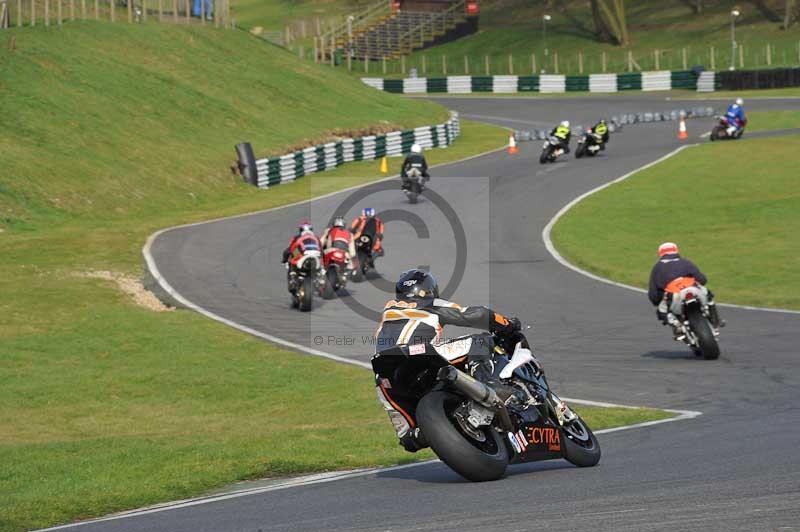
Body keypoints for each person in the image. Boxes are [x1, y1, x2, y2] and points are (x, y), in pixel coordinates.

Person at [374, 268, 523, 452]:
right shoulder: (430, 303)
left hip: (384, 372)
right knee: (481, 340)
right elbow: (479, 314)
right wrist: (508, 324)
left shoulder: (389, 309)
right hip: (420, 353)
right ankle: (488, 383)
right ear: (429, 289)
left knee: (408, 438)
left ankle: (423, 433)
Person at [648, 242, 724, 337]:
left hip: (674, 295)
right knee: (708, 295)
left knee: (661, 311)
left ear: (660, 253)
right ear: (676, 251)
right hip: (693, 290)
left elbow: (653, 293)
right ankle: (716, 319)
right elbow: (702, 280)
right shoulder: (686, 262)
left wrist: (657, 301)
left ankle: (676, 325)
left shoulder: (657, 268)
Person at [281, 220, 322, 293]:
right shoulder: (316, 237)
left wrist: (284, 260)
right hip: (316, 255)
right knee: (321, 266)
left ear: (300, 230)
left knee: (291, 260)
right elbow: (321, 249)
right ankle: (320, 279)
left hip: (303, 254)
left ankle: (293, 279)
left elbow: (289, 250)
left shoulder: (297, 237)